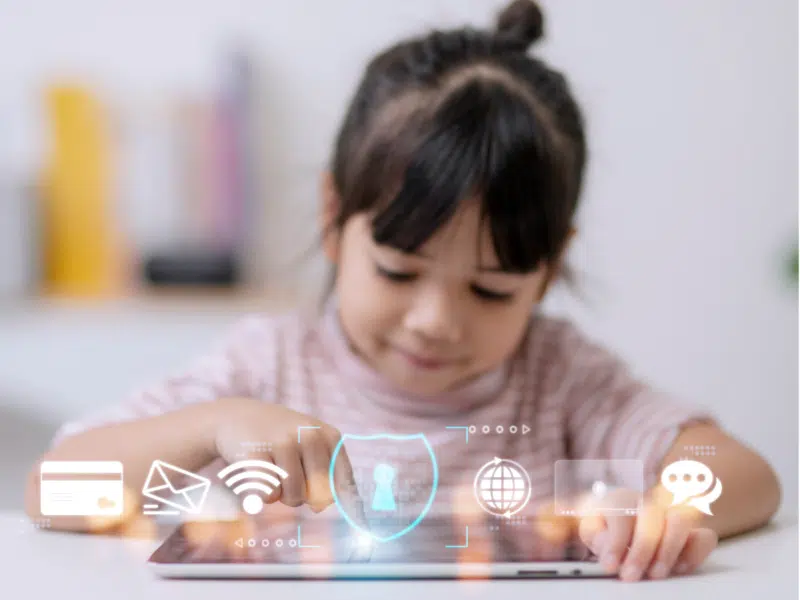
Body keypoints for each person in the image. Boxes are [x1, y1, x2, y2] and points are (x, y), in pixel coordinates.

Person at [25, 0, 780, 582]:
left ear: (548, 270)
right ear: (333, 218)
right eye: (398, 272)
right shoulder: (264, 368)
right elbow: (53, 491)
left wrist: (667, 513)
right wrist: (213, 424)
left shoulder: (561, 380)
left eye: (489, 290)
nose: (435, 321)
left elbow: (746, 474)